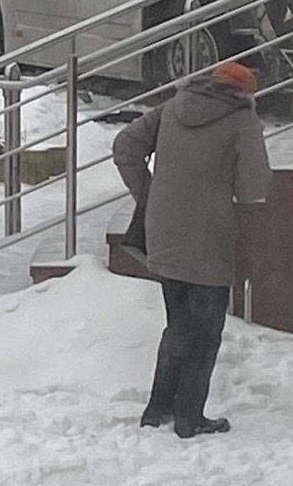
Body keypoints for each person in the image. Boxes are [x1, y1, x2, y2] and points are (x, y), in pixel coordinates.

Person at [112, 61, 272, 439]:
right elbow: (254, 188)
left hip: (164, 230)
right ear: (244, 93)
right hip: (209, 235)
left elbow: (125, 147)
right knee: (205, 330)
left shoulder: (172, 107)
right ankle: (189, 417)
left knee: (178, 323)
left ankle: (158, 408)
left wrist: (149, 195)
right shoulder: (241, 119)